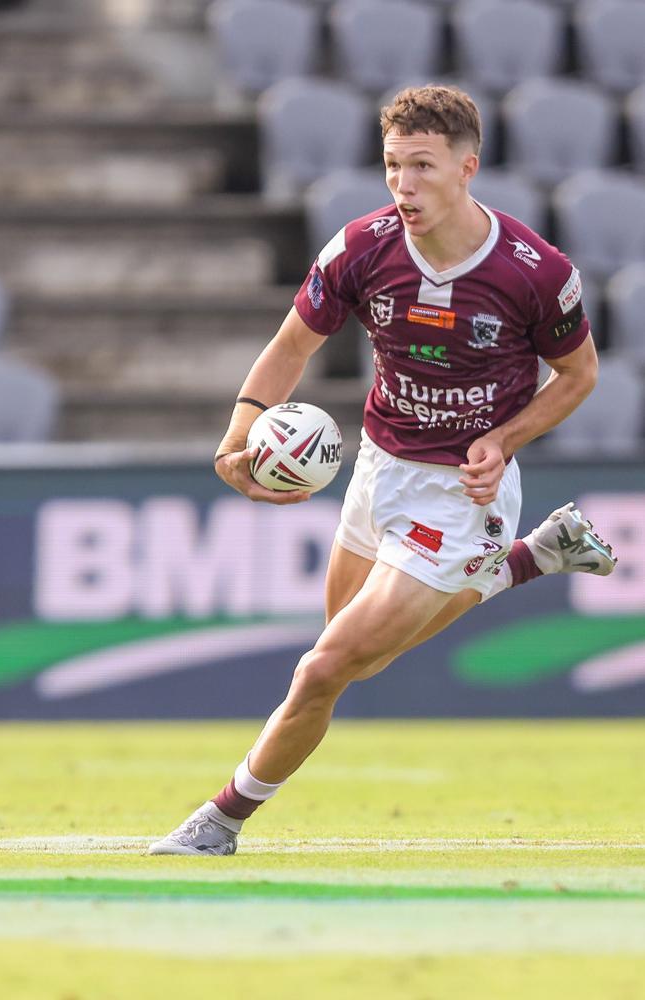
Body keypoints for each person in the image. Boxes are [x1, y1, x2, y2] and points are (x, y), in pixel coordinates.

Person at [149, 85, 616, 857]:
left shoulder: (535, 271)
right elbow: (292, 345)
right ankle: (534, 556)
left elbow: (579, 374)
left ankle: (219, 822)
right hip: (377, 468)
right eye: (393, 166)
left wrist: (506, 438)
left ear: (469, 167)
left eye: (423, 167)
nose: (404, 185)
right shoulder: (361, 248)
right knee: (354, 654)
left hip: (463, 491)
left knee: (322, 669)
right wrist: (236, 437)